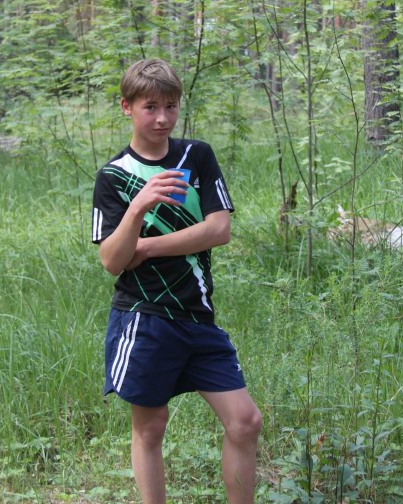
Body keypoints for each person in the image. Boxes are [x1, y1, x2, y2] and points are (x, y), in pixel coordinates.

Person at [91, 59, 263, 504]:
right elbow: (112, 260)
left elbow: (218, 229)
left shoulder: (196, 156)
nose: (162, 118)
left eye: (170, 106)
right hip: (143, 317)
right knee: (151, 427)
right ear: (127, 107)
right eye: (150, 107)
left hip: (198, 315)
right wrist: (138, 207)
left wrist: (146, 247)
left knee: (245, 421)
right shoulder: (113, 176)